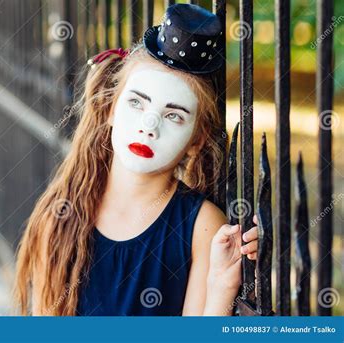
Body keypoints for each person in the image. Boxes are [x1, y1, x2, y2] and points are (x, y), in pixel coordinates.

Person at [13, 3, 259, 316]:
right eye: (136, 103)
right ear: (111, 109)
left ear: (195, 141)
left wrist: (222, 286)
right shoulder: (62, 215)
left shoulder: (202, 227)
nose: (149, 126)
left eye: (173, 115)